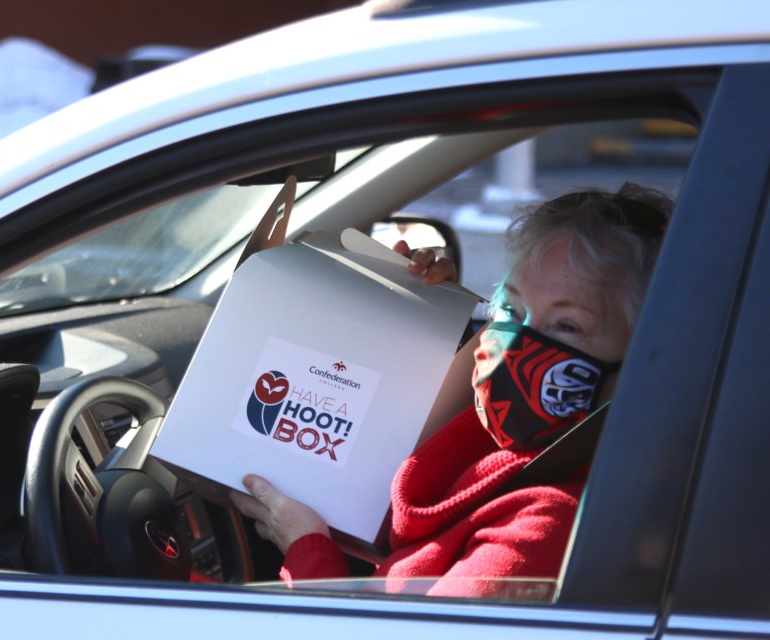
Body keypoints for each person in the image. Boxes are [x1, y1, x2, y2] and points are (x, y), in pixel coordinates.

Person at [231, 183, 673, 598]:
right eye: (512, 307)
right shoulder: (524, 443)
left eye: (567, 325)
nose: (514, 345)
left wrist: (307, 550)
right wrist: (425, 313)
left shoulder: (547, 527)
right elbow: (405, 472)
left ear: (653, 352)